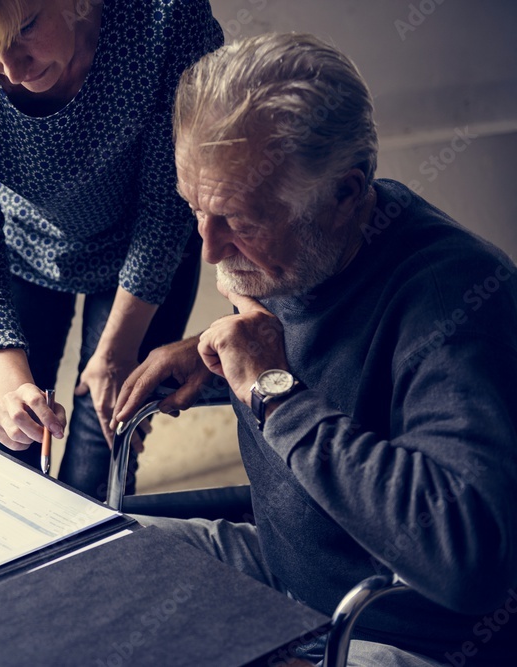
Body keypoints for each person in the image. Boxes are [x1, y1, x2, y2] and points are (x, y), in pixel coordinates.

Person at [113, 33, 517, 666]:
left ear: (346, 196)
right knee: (85, 563)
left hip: (396, 633)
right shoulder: (300, 252)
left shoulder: (456, 302)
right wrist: (216, 359)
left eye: (240, 222)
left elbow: (467, 558)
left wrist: (271, 389)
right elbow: (337, 372)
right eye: (195, 208)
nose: (210, 249)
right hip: (282, 572)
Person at [0, 0, 224, 498]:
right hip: (23, 251)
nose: (11, 70)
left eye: (25, 29)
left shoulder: (166, 17)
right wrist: (12, 390)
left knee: (97, 476)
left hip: (146, 255)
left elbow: (167, 209)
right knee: (12, 466)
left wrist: (117, 352)